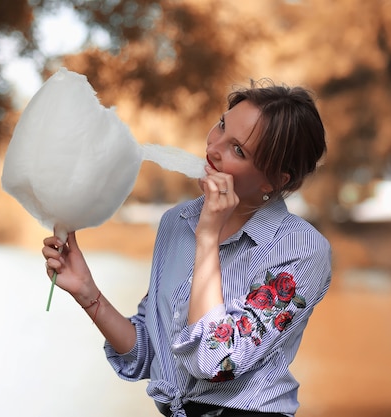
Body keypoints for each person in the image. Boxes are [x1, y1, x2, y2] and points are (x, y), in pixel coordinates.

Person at [41, 79, 331, 417]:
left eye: (238, 150)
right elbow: (152, 354)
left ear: (275, 180)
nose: (213, 148)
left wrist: (208, 237)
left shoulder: (302, 250)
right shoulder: (177, 221)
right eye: (221, 125)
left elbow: (214, 360)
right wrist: (88, 293)